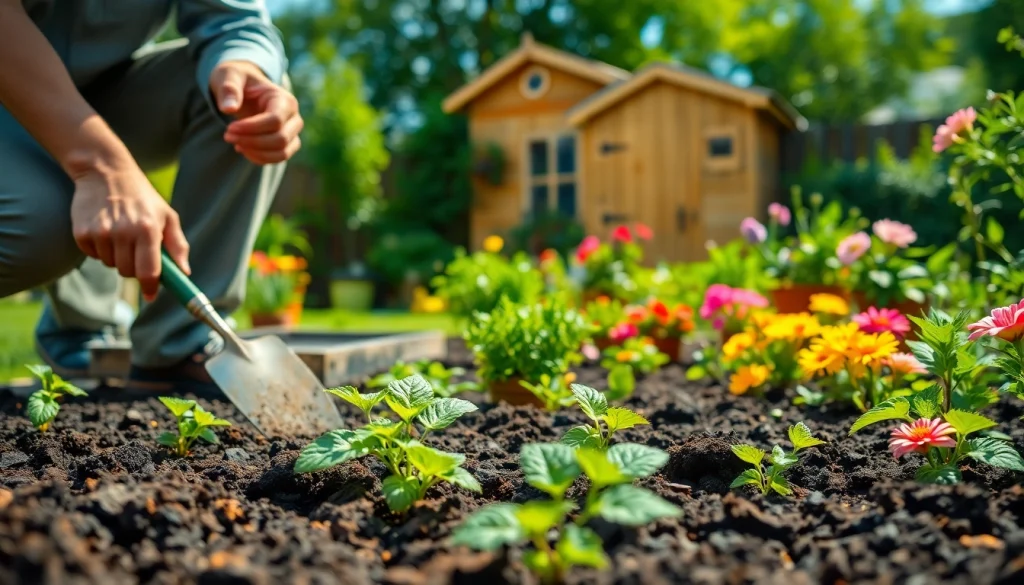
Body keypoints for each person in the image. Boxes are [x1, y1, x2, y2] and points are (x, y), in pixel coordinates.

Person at [0, 1, 303, 393]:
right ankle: (83, 320)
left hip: (100, 93)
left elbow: (234, 19)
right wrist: (99, 164)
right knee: (42, 227)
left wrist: (243, 66)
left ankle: (177, 346)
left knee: (249, 105)